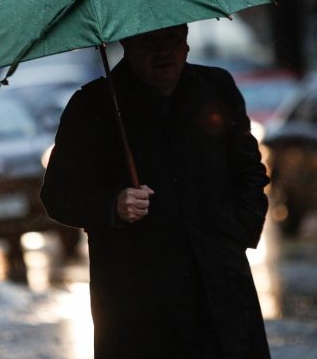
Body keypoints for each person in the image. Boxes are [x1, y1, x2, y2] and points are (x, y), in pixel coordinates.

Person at [40, 24, 271, 358]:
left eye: (171, 38)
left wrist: (237, 234)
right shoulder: (92, 105)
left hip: (219, 289)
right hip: (138, 302)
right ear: (127, 44)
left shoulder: (215, 88)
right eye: (149, 40)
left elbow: (249, 171)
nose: (163, 50)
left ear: (186, 41)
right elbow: (58, 195)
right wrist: (113, 204)